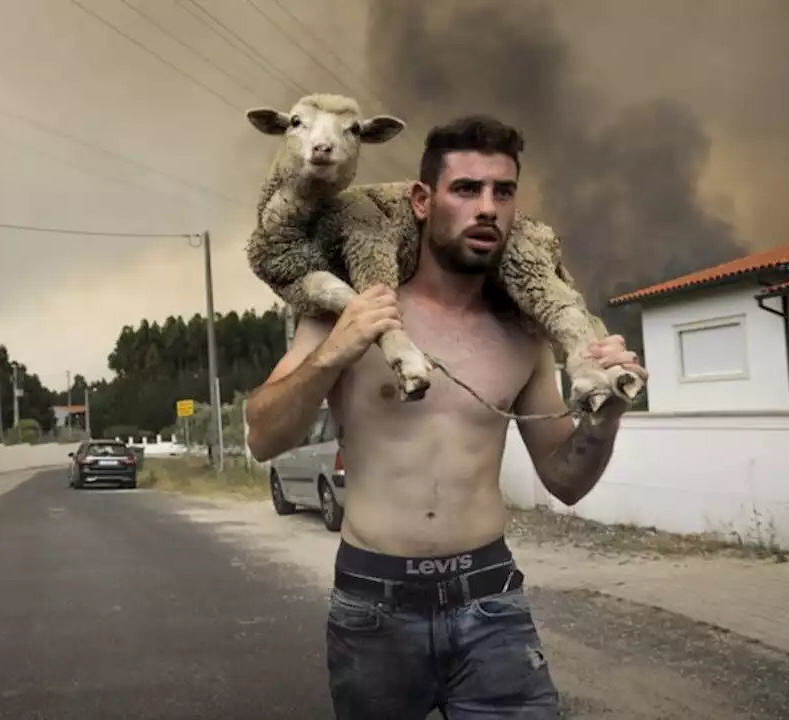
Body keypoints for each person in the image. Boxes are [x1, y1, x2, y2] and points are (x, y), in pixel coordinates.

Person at [244, 115, 647, 718]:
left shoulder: (522, 332)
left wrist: (605, 417)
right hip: (372, 603)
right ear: (422, 200)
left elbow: (565, 480)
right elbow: (262, 435)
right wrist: (338, 349)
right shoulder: (350, 310)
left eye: (502, 191)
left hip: (490, 600)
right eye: (466, 189)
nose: (487, 208)